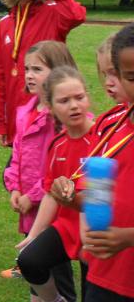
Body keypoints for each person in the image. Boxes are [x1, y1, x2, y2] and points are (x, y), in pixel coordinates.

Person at [61, 24, 134, 302]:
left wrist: (129, 237)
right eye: (131, 77)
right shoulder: (111, 125)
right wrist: (71, 198)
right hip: (105, 273)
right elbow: (97, 195)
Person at [2, 40, 77, 299]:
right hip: (27, 207)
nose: (29, 75)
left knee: (57, 273)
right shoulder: (26, 111)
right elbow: (17, 156)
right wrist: (14, 188)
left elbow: (59, 171)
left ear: (58, 72)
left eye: (37, 69)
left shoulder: (62, 118)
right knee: (35, 268)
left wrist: (32, 196)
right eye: (27, 69)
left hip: (53, 209)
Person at [17, 66, 94, 302]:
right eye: (64, 101)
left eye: (79, 97)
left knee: (93, 292)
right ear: (50, 107)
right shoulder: (58, 144)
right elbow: (51, 193)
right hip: (67, 226)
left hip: (96, 229)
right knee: (29, 260)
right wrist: (34, 234)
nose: (74, 106)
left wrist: (88, 237)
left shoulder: (103, 138)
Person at [0, 0, 86, 146]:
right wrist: (1, 122)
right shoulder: (5, 23)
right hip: (17, 111)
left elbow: (77, 15)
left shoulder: (54, 13)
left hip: (48, 112)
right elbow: (2, 76)